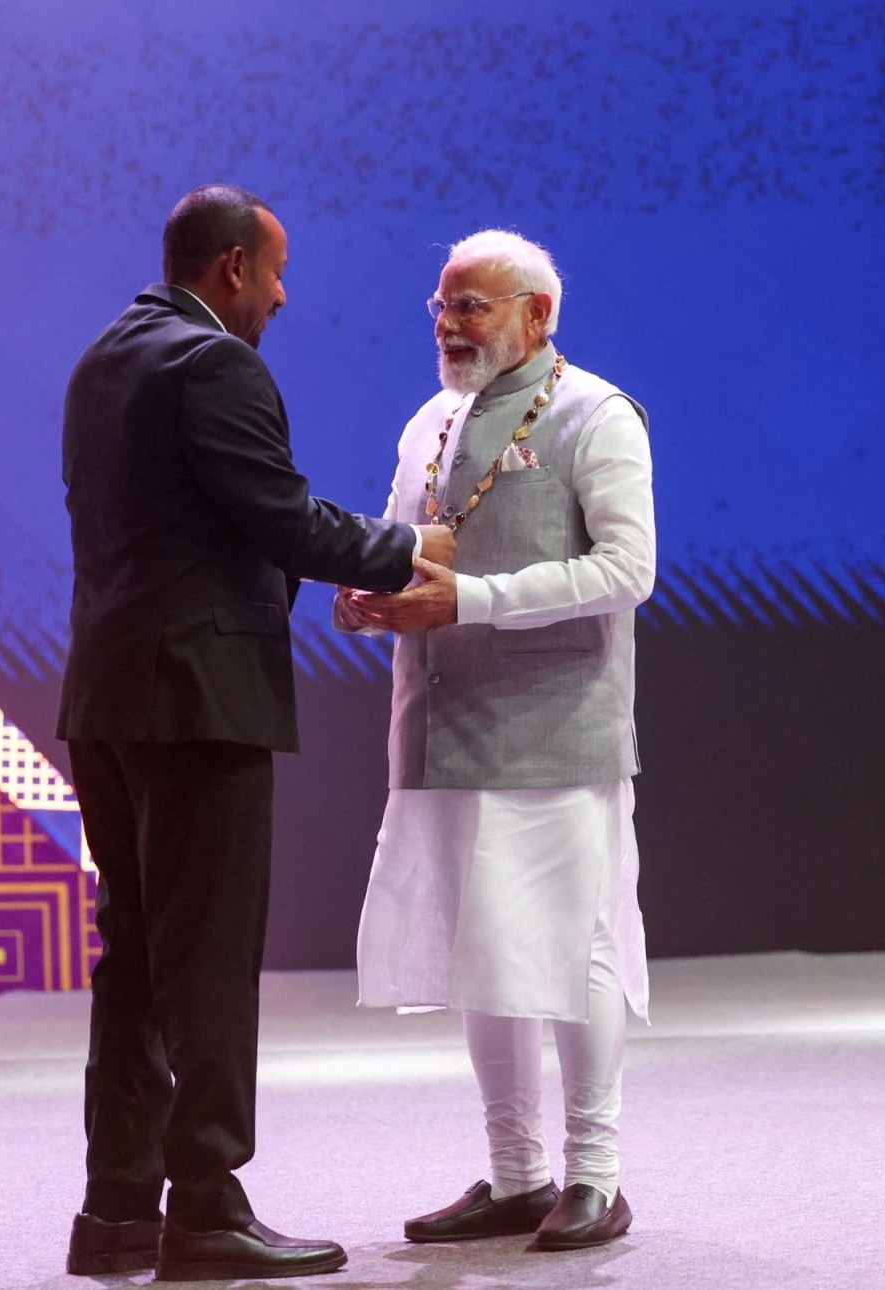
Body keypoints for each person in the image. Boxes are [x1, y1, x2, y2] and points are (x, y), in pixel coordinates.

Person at [57, 183, 455, 1282]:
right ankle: (206, 1208)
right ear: (233, 265)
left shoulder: (104, 357)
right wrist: (410, 548)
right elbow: (279, 514)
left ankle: (118, 1208)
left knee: (138, 953)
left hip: (108, 700)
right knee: (209, 960)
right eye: (276, 274)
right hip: (197, 700)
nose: (281, 297)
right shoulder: (215, 363)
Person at [336, 228, 654, 1252]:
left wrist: (469, 600)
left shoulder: (595, 413)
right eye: (442, 305)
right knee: (485, 951)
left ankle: (595, 1176)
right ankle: (518, 1177)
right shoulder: (429, 421)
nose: (449, 324)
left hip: (556, 727)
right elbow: (403, 551)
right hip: (440, 726)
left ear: (537, 313)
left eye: (471, 305)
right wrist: (371, 599)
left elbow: (628, 571)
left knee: (573, 945)